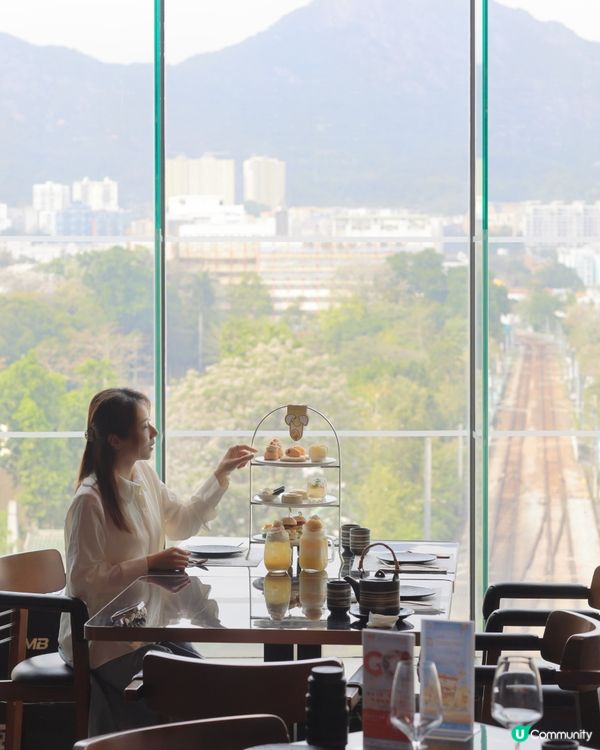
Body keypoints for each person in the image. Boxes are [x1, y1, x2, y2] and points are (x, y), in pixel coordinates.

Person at [58, 387, 255, 735]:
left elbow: (180, 521)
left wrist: (220, 474)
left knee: (211, 680)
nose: (155, 433)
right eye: (146, 425)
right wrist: (149, 564)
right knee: (197, 688)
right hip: (106, 643)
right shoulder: (89, 501)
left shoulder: (143, 477)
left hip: (145, 628)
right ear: (116, 440)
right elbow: (83, 581)